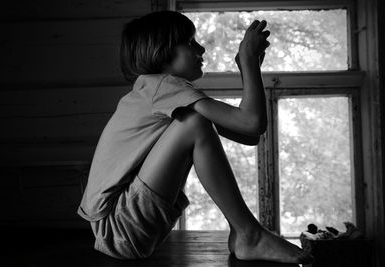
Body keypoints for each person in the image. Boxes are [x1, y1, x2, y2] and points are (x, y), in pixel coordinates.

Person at [77, 10, 313, 264]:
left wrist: (250, 66)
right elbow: (252, 123)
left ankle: (244, 232)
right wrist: (248, 61)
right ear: (162, 51)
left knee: (196, 121)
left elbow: (249, 134)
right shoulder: (160, 86)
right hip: (120, 224)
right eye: (190, 43)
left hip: (121, 227)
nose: (202, 49)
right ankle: (249, 233)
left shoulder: (160, 94)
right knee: (196, 122)